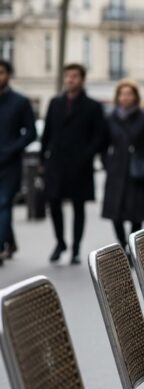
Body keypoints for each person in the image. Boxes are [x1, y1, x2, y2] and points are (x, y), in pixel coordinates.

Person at [41, 63, 105, 265]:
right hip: (57, 163)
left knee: (79, 205)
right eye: (67, 75)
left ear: (82, 79)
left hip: (80, 164)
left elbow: (100, 136)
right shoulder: (55, 103)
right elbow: (47, 132)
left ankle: (76, 247)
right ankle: (60, 242)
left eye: (74, 76)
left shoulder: (93, 106)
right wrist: (44, 157)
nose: (70, 79)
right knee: (54, 202)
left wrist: (87, 155)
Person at [101, 80, 144, 250]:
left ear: (136, 97)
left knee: (136, 213)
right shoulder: (111, 118)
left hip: (137, 170)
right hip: (116, 168)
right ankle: (122, 244)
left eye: (129, 94)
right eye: (122, 94)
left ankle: (133, 248)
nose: (125, 97)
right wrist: (107, 163)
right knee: (115, 212)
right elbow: (102, 144)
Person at [0, 60, 36, 266]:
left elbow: (30, 133)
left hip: (10, 163)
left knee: (4, 203)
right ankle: (10, 242)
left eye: (1, 72)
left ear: (8, 75)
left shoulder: (20, 102)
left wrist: (12, 148)